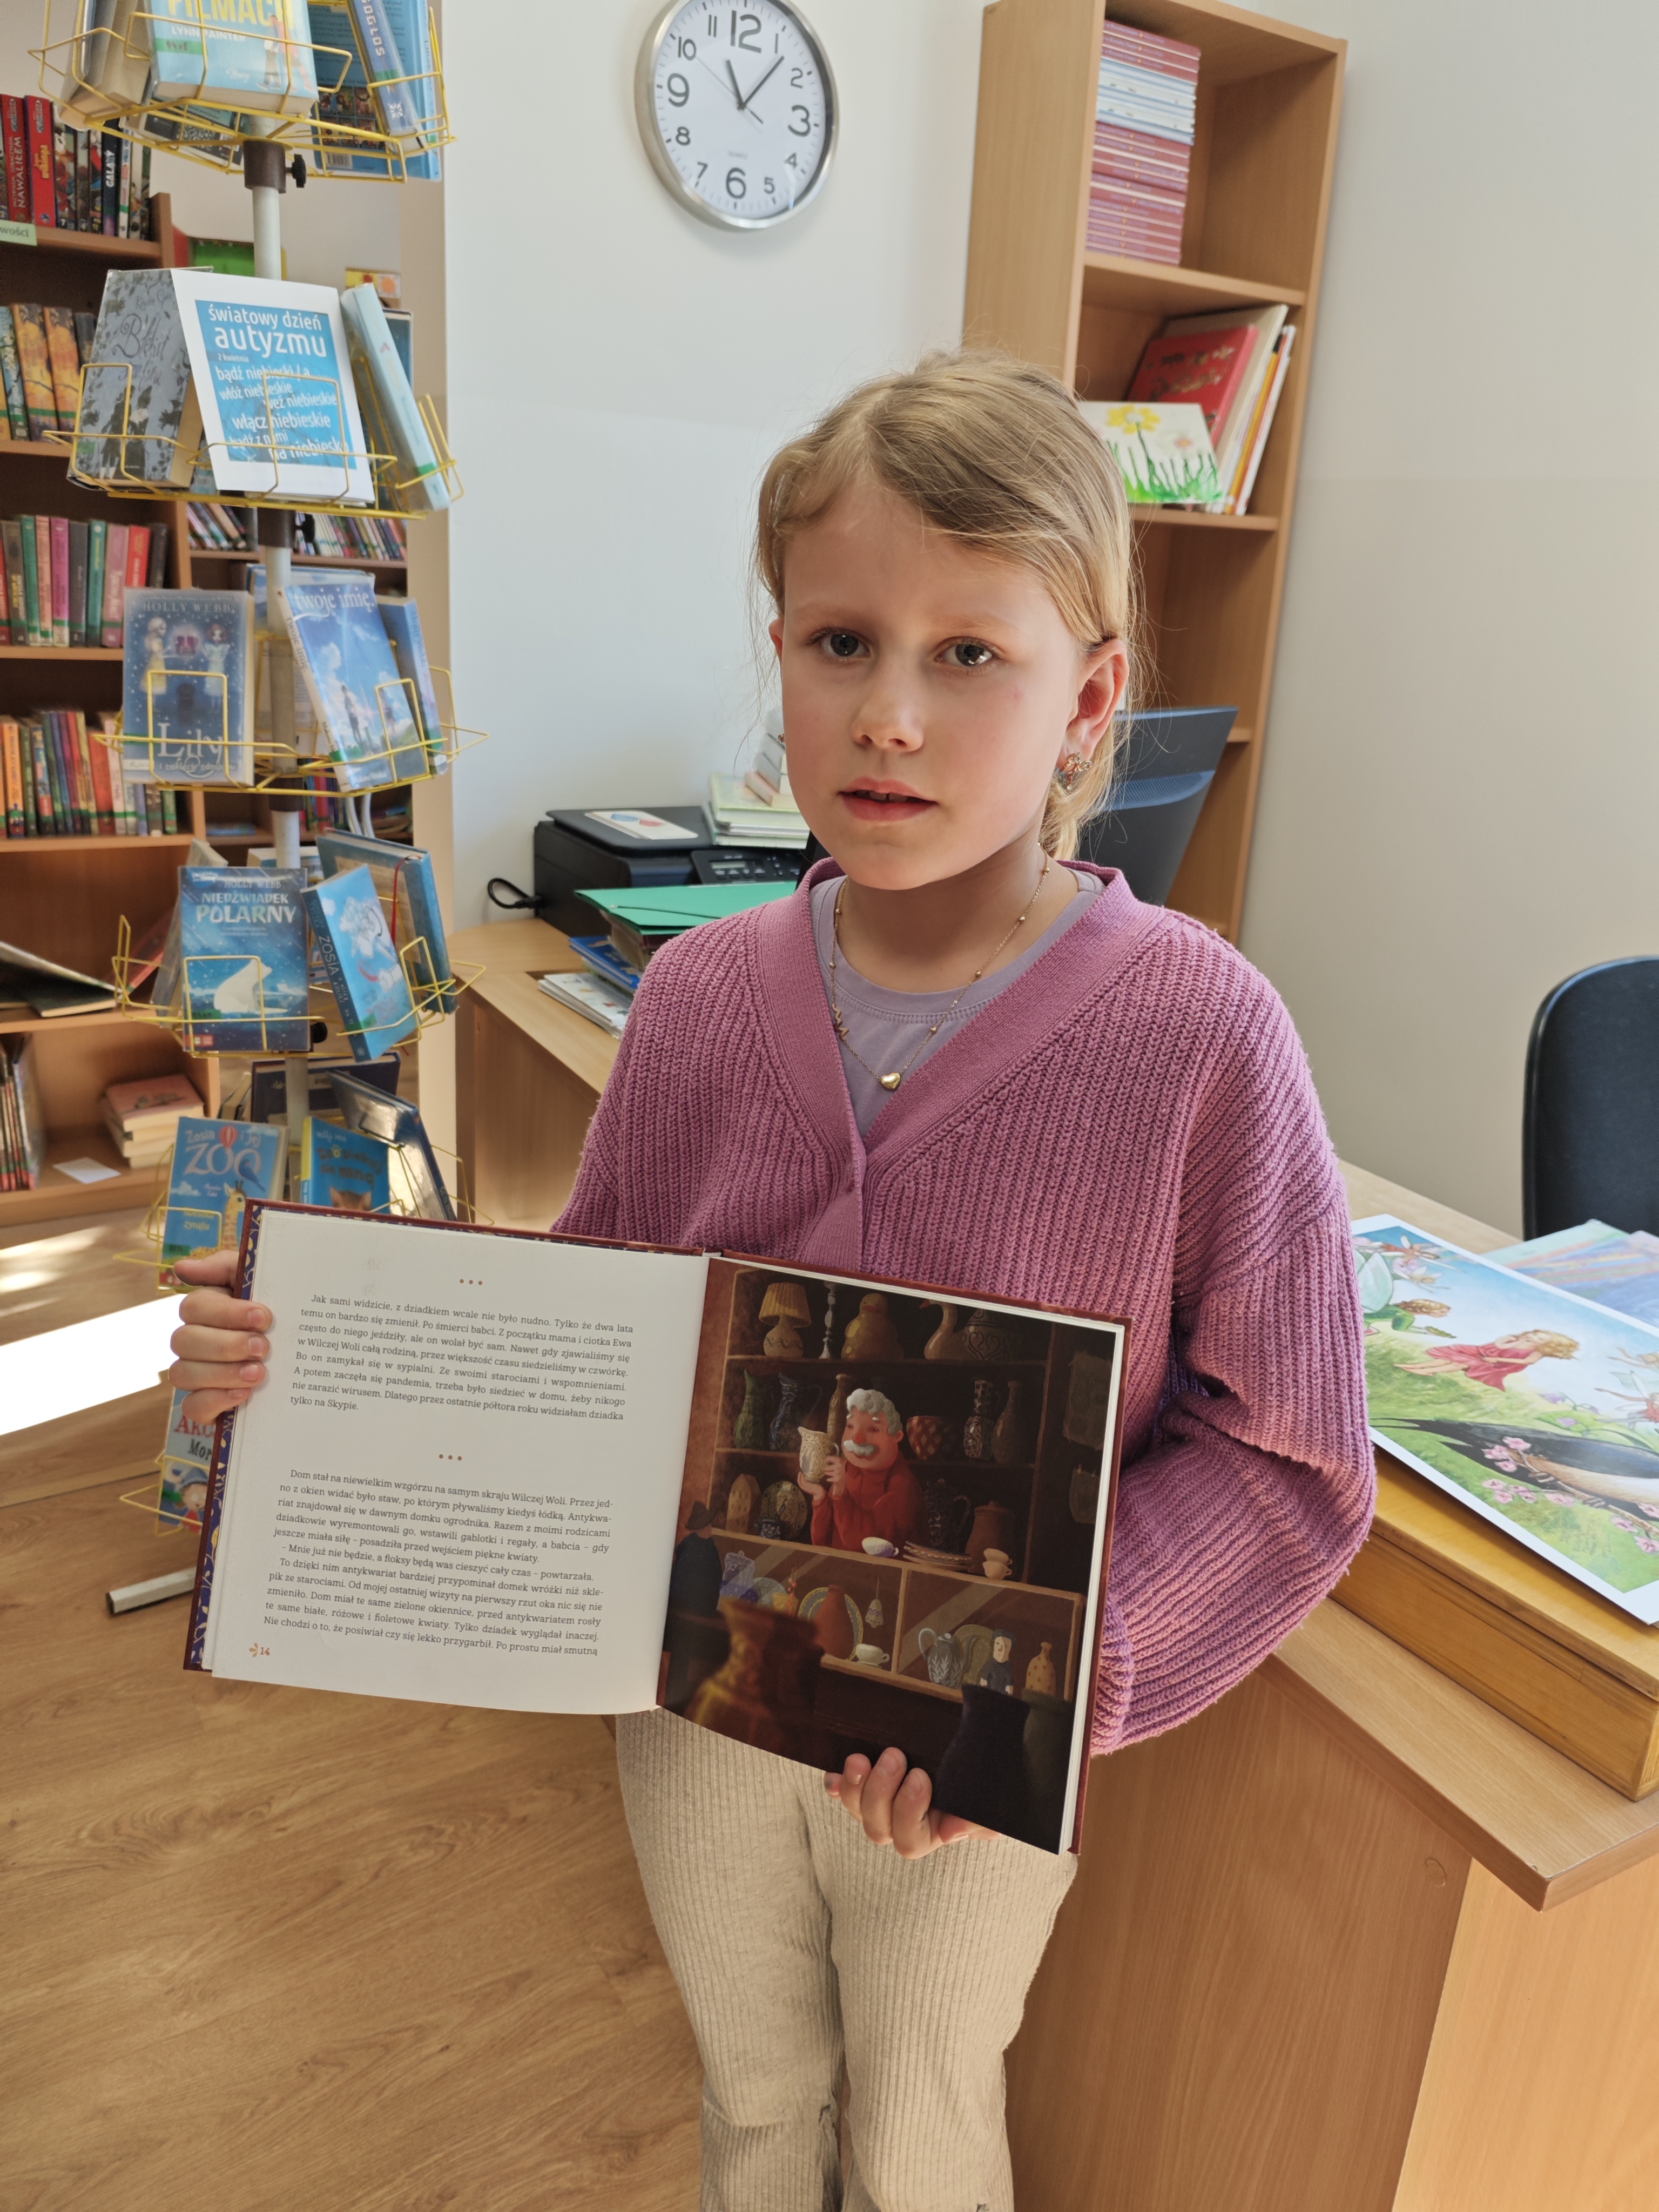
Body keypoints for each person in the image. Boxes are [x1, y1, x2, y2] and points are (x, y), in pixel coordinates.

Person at [168, 352, 1373, 2212]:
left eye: (968, 654)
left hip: (964, 1768)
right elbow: (594, 1320)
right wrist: (312, 1369)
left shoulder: (1206, 1035)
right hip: (697, 1707)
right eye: (838, 642)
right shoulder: (702, 998)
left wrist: (1061, 1675)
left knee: (923, 2122)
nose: (887, 712)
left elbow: (1285, 1454)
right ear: (781, 652)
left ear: (1089, 698)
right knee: (751, 2089)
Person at [799, 1387, 924, 1553]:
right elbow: (823, 1543)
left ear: (897, 1437)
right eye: (851, 1426)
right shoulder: (848, 1470)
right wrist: (820, 1498)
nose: (857, 1439)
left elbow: (862, 1546)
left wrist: (840, 1493)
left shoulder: (902, 1484)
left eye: (874, 1429)